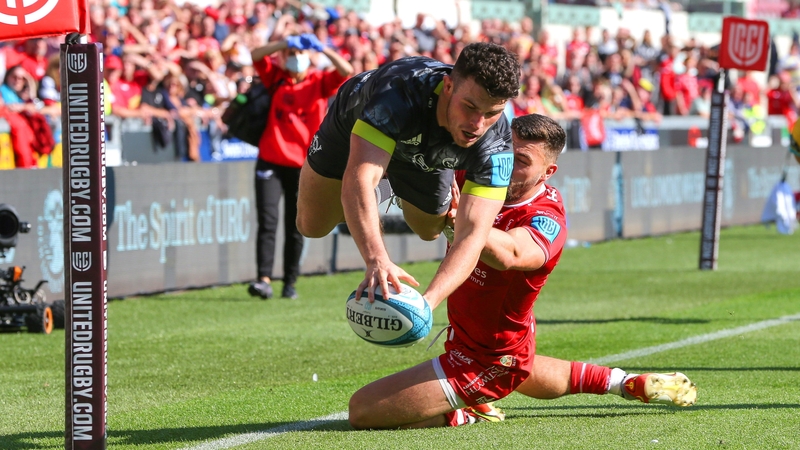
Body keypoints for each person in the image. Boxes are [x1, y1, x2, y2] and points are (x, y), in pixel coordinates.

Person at [348, 114, 697, 430]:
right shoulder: (482, 174)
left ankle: (466, 410)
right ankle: (623, 381)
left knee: (362, 411)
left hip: (487, 356)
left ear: (547, 172)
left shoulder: (546, 218)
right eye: (505, 152)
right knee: (521, 368)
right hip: (495, 341)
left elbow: (512, 253)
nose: (506, 166)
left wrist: (462, 220)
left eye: (522, 161)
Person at [296, 42, 521, 307]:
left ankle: (391, 185)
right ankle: (385, 180)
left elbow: (472, 235)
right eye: (470, 107)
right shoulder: (398, 95)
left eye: (492, 113)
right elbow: (360, 179)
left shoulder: (497, 144)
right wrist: (377, 259)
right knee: (311, 225)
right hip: (351, 127)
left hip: (424, 152)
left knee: (429, 230)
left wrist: (427, 303)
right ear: (448, 87)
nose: (477, 125)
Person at [247, 32, 354, 300]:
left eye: (299, 54)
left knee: (295, 225)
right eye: (291, 55)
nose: (296, 59)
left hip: (302, 164)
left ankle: (290, 282)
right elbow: (256, 55)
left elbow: (346, 70)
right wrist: (284, 44)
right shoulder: (276, 76)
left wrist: (323, 48)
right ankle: (263, 279)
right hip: (270, 159)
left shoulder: (318, 81)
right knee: (267, 221)